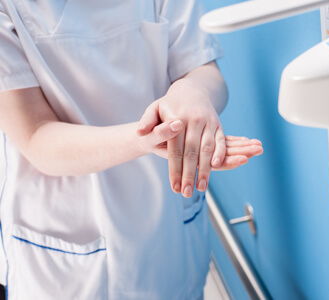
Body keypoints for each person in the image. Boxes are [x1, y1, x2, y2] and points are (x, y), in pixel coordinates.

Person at [0, 0, 263, 299]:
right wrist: (144, 138)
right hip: (64, 262)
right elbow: (36, 135)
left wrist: (194, 93)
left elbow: (204, 69)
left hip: (165, 232)